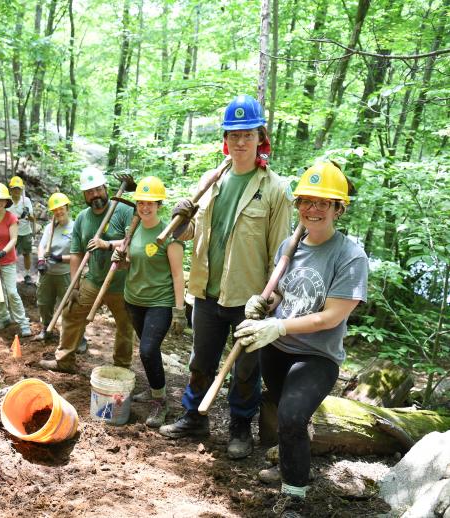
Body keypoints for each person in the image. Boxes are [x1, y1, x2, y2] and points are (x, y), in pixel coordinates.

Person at [159, 94, 291, 460]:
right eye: (233, 134)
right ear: (226, 139)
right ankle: (193, 417)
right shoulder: (211, 180)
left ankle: (239, 427)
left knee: (246, 370)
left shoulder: (276, 189)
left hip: (249, 298)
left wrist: (271, 299)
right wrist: (181, 217)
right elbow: (188, 236)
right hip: (205, 291)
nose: (240, 141)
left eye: (247, 133)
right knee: (200, 362)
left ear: (259, 136)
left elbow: (282, 253)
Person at [234, 162, 368, 516]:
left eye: (323, 202)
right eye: (307, 201)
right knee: (287, 415)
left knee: (293, 416)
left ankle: (293, 497)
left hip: (316, 356)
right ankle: (290, 461)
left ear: (339, 208)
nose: (313, 209)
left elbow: (333, 315)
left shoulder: (350, 256)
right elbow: (282, 295)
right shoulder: (288, 247)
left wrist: (278, 327)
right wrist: (262, 304)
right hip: (276, 349)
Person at [39, 166, 135, 373]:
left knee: (125, 326)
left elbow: (132, 242)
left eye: (98, 189)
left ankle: (122, 367)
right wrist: (74, 285)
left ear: (105, 188)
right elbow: (76, 254)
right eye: (89, 192)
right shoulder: (83, 218)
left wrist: (107, 243)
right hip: (93, 280)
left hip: (122, 283)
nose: (95, 195)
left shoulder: (125, 211)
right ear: (84, 194)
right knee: (72, 312)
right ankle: (64, 361)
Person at [114, 176, 186, 428]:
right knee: (147, 352)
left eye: (151, 203)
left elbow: (178, 274)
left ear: (159, 204)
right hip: (133, 299)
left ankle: (160, 401)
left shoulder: (169, 234)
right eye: (141, 203)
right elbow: (131, 262)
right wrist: (120, 258)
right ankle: (156, 388)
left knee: (148, 349)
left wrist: (179, 310)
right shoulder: (133, 230)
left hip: (160, 302)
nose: (145, 207)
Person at [35, 192, 87, 352]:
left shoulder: (75, 228)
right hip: (47, 273)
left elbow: (79, 255)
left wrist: (59, 258)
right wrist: (41, 261)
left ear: (67, 208)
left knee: (71, 307)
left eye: (61, 208)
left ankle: (79, 338)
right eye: (55, 209)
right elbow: (41, 247)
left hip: (66, 273)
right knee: (44, 303)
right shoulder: (49, 228)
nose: (58, 212)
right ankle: (46, 329)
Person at [0, 183, 31, 338]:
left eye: (2, 199)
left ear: (6, 201)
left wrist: (2, 252)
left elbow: (14, 239)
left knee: (11, 292)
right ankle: (4, 317)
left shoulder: (11, 218)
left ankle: (23, 323)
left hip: (7, 260)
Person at [7, 176, 35, 284]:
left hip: (25, 231)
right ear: (11, 189)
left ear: (21, 189)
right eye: (14, 188)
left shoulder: (26, 200)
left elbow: (32, 218)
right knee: (11, 254)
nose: (17, 191)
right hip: (12, 233)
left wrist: (27, 213)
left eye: (18, 188)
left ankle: (27, 274)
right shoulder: (7, 201)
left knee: (26, 254)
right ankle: (11, 276)